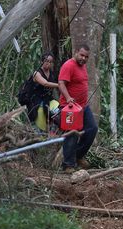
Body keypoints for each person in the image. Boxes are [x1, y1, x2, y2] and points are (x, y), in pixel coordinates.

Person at [58, 44, 98, 172]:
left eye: (86, 57)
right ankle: (68, 164)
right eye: (81, 55)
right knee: (72, 133)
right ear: (76, 52)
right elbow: (61, 83)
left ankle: (78, 156)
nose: (83, 58)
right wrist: (68, 97)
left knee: (92, 128)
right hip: (69, 107)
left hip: (82, 107)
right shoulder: (68, 65)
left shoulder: (83, 66)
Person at [26, 52, 59, 131]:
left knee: (58, 111)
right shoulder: (37, 73)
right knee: (39, 125)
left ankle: (53, 130)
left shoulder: (51, 73)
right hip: (36, 101)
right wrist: (59, 85)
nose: (49, 63)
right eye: (47, 61)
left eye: (50, 62)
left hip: (48, 99)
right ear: (42, 61)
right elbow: (45, 83)